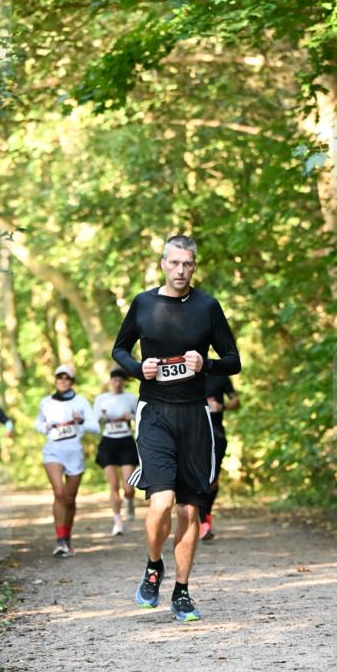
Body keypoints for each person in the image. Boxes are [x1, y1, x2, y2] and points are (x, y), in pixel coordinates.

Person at [112, 234, 241, 622]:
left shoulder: (207, 306)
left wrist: (207, 364)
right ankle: (154, 566)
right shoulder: (144, 303)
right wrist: (139, 369)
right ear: (163, 264)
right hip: (155, 413)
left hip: (195, 417)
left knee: (188, 509)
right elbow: (120, 349)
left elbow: (233, 360)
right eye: (174, 263)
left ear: (194, 266)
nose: (181, 270)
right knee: (162, 502)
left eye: (187, 264)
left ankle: (182, 592)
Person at [35, 363, 100, 557]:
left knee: (70, 500)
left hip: (74, 452)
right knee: (59, 493)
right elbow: (38, 422)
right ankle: (60, 540)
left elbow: (95, 427)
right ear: (55, 380)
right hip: (53, 451)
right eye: (59, 377)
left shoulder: (81, 402)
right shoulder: (46, 402)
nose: (62, 381)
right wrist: (44, 427)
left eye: (67, 378)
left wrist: (81, 420)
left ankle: (67, 538)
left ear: (72, 381)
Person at [93, 368, 139, 536]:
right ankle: (117, 521)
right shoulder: (101, 399)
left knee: (128, 486)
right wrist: (101, 416)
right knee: (113, 485)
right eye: (115, 380)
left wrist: (131, 417)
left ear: (124, 382)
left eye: (120, 380)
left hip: (126, 441)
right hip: (108, 442)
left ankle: (129, 501)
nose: (117, 383)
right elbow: (94, 420)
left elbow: (142, 418)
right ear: (110, 381)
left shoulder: (131, 398)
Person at [199, 373, 240, 541]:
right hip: (194, 435)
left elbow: (236, 402)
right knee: (200, 479)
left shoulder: (220, 376)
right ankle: (203, 523)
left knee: (213, 481)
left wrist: (221, 406)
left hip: (216, 435)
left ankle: (206, 514)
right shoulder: (187, 374)